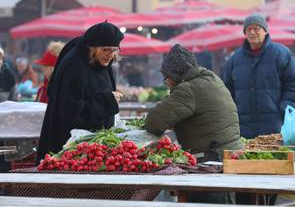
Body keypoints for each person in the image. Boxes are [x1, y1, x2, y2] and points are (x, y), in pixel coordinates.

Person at [145, 44, 242, 204]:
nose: (166, 81)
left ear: (175, 74)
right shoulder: (211, 79)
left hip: (212, 160)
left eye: (166, 76)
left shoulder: (188, 89)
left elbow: (154, 122)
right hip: (230, 154)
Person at [36, 21, 124, 164]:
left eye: (115, 50)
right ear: (92, 48)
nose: (111, 55)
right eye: (106, 49)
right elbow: (69, 110)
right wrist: (108, 100)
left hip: (93, 148)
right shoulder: (74, 66)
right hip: (70, 149)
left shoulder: (101, 62)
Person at [222, 14, 295, 139]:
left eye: (256, 28)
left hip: (274, 124)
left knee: (273, 157)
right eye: (248, 29)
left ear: (265, 31)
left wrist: (284, 110)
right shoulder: (235, 59)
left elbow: (293, 85)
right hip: (243, 126)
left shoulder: (281, 54)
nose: (252, 32)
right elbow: (227, 91)